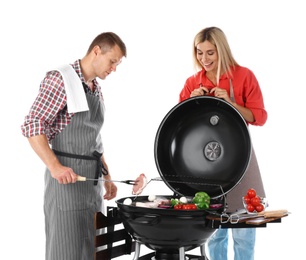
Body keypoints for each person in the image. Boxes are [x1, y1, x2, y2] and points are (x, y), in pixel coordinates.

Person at [21, 32, 127, 260]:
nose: (114, 68)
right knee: (66, 251)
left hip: (92, 186)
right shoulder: (61, 79)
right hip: (66, 186)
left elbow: (94, 138)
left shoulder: (95, 88)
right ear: (97, 50)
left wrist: (107, 176)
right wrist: (55, 166)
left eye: (117, 64)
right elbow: (32, 124)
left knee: (92, 251)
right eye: (112, 61)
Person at [179, 27, 267, 260]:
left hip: (240, 157)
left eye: (210, 53)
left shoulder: (244, 76)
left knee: (244, 232)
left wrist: (231, 103)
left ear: (222, 51)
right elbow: (177, 124)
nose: (204, 59)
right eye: (199, 53)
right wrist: (191, 101)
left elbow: (259, 117)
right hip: (205, 161)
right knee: (215, 232)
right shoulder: (192, 82)